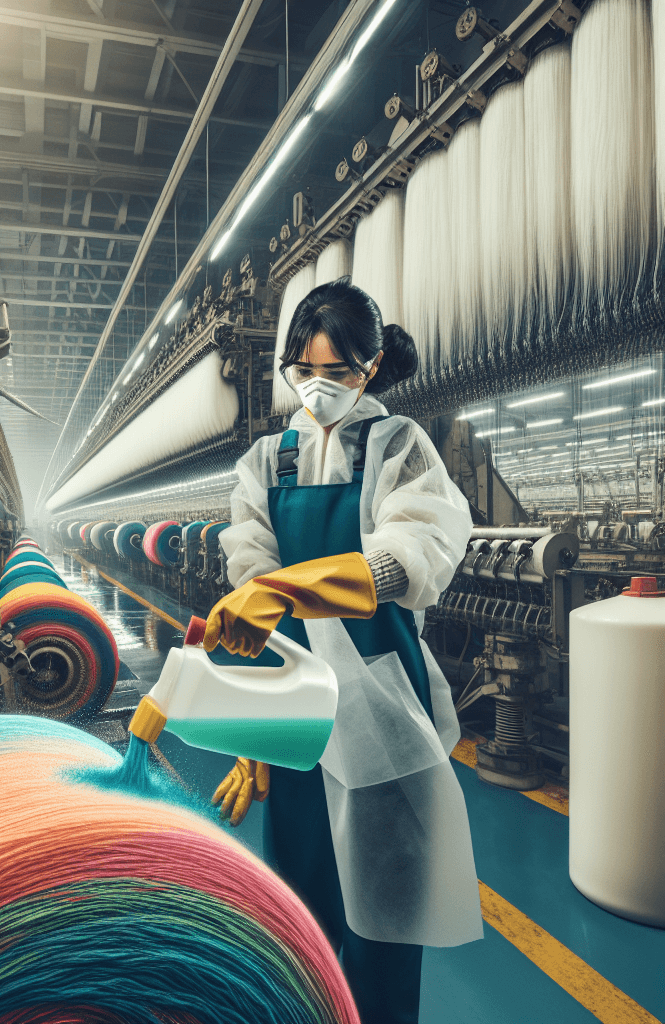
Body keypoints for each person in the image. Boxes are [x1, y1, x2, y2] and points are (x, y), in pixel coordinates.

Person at [204, 278, 483, 1024]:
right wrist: (250, 732)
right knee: (302, 918)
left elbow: (410, 557)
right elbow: (249, 593)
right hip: (296, 722)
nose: (319, 389)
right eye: (305, 371)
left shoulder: (400, 448)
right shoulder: (266, 463)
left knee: (386, 928)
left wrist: (284, 592)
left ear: (373, 366)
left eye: (339, 373)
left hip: (384, 718)